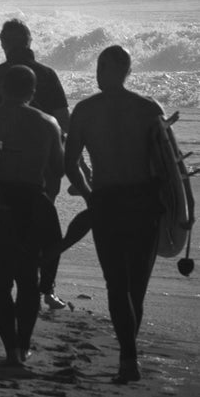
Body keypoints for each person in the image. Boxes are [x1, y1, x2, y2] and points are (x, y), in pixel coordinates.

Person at [65, 45, 168, 384]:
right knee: (134, 285)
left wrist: (91, 196)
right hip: (143, 202)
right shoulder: (149, 108)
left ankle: (128, 357)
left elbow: (71, 163)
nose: (97, 71)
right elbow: (167, 166)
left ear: (118, 70)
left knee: (118, 284)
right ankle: (128, 356)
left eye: (101, 66)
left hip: (108, 201)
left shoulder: (84, 110)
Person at [0, 63, 66, 369]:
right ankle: (23, 346)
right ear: (32, 93)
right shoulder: (49, 124)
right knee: (28, 280)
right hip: (32, 204)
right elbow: (58, 170)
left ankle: (9, 351)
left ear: (2, 90)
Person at [0, 18, 73, 311]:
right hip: (42, 167)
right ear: (29, 42)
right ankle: (46, 288)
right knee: (44, 228)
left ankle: (10, 283)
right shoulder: (46, 74)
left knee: (4, 229)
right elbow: (64, 123)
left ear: (3, 43)